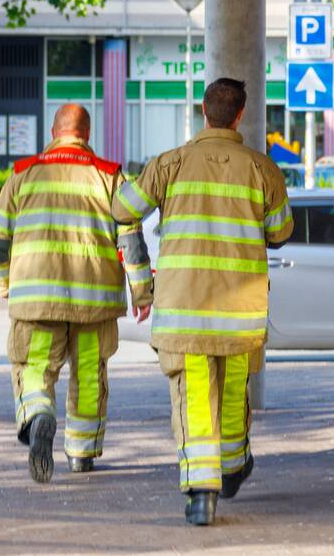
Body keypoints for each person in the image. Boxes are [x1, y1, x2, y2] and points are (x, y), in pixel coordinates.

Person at [111, 78, 293, 525]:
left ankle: (200, 492)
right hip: (239, 314)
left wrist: (140, 281)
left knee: (194, 399)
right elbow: (282, 232)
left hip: (182, 313)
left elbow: (122, 209)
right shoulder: (262, 168)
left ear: (203, 112)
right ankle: (232, 466)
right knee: (233, 394)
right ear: (240, 114)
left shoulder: (169, 164)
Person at [0, 104, 153, 483]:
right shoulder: (109, 176)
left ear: (53, 131)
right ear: (87, 135)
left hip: (37, 302)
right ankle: (81, 454)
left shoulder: (22, 175)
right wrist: (142, 292)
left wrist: (3, 283)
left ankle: (39, 414)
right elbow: (132, 241)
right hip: (95, 305)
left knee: (35, 368)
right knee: (90, 375)